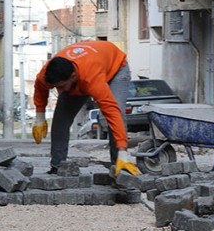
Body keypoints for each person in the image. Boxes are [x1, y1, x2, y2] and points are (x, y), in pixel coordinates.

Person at [32, 41, 140, 177]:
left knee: (116, 112)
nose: (59, 92)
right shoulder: (47, 74)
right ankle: (58, 167)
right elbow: (40, 88)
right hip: (90, 64)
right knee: (60, 120)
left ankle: (120, 164)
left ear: (73, 76)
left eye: (61, 86)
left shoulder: (92, 79)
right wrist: (40, 116)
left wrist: (123, 150)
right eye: (56, 87)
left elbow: (112, 112)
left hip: (116, 68)